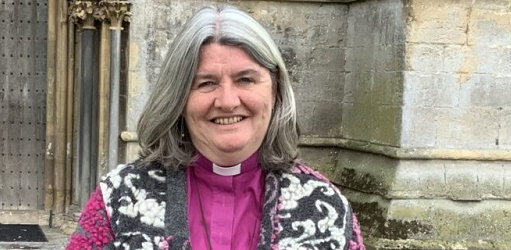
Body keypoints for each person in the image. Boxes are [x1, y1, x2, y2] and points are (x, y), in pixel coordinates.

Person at [67, 5, 364, 250]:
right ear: (179, 98)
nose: (227, 101)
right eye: (206, 83)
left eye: (245, 79)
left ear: (275, 91)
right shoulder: (119, 199)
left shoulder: (325, 206)